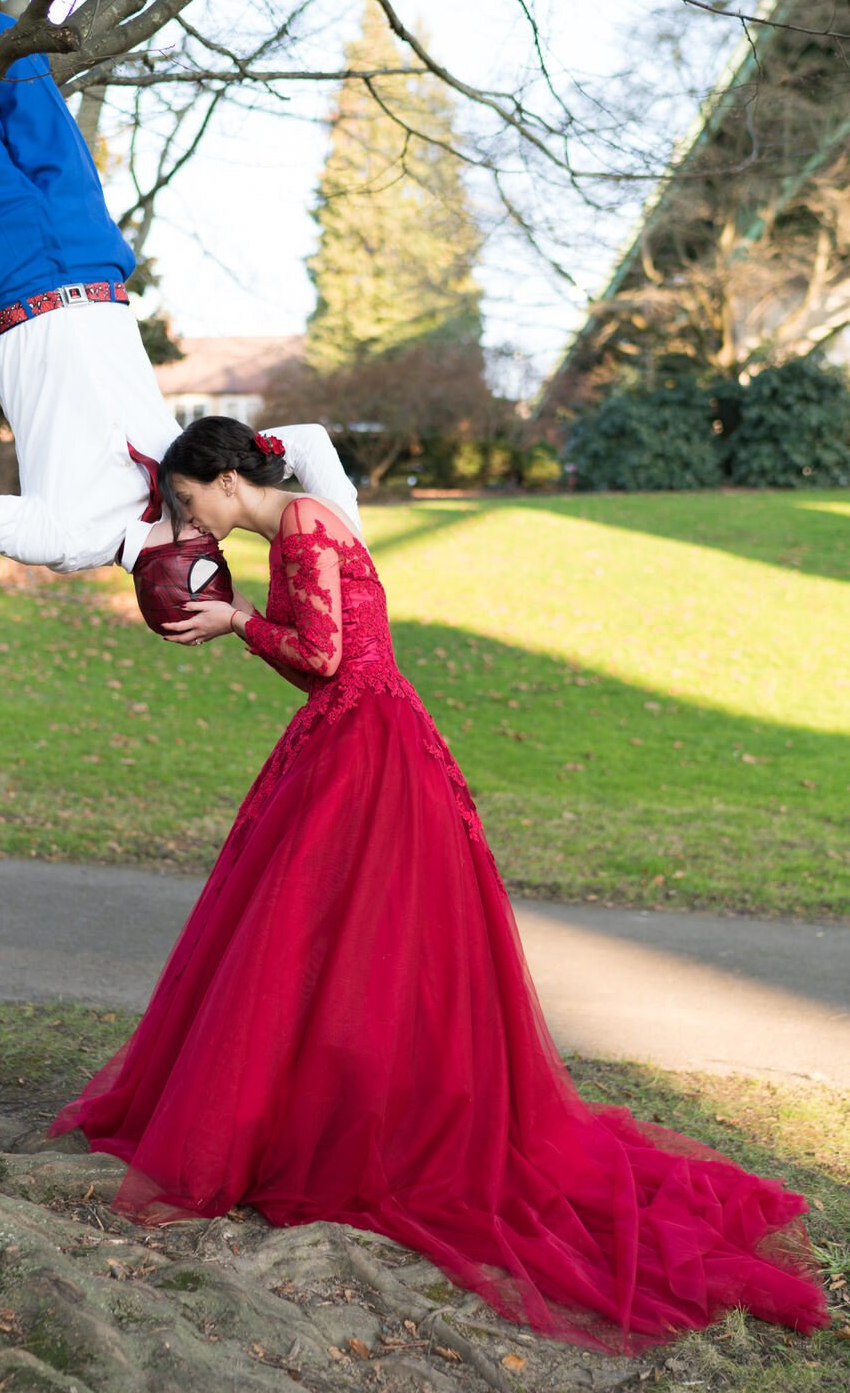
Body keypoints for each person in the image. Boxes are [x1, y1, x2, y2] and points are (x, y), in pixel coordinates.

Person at [47, 417, 828, 1355]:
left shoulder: (299, 526)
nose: (190, 522)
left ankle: (330, 1124)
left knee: (319, 936)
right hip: (357, 740)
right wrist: (250, 625)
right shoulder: (307, 519)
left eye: (186, 500)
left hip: (365, 752)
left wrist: (235, 622)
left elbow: (325, 657)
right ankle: (310, 1109)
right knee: (332, 940)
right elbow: (331, 662)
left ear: (222, 479)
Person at [0, 15, 360, 594]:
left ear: (174, 574)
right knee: (2, 34)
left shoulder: (62, 540)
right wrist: (345, 550)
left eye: (206, 557)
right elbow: (307, 439)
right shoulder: (200, 478)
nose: (214, 540)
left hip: (5, 274)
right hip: (92, 257)